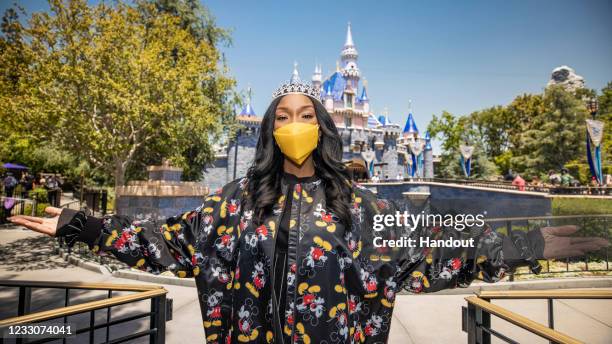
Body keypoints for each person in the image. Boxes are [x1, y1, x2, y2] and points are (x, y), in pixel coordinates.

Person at [8, 79, 609, 344]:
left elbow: (443, 249)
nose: (294, 126)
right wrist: (76, 223)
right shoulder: (233, 206)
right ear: (270, 131)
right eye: (282, 116)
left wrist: (539, 242)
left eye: (306, 116)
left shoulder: (359, 210)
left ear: (324, 129)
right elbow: (161, 242)